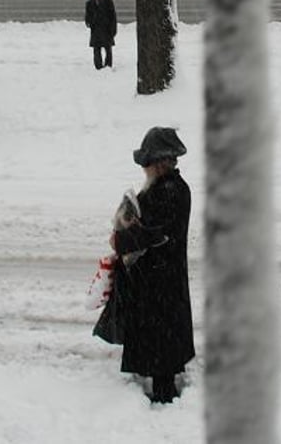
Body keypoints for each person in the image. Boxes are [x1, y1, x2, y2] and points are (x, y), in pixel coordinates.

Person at [97, 127, 194, 404]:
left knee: (161, 340)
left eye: (147, 163)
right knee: (161, 338)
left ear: (160, 162)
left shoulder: (171, 191)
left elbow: (153, 232)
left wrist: (121, 239)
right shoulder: (167, 187)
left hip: (160, 278)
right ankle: (161, 384)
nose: (144, 169)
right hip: (158, 277)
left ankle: (164, 400)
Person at [84, 0, 117, 70]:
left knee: (108, 49)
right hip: (96, 31)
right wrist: (90, 22)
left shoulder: (108, 2)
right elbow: (87, 18)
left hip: (107, 29)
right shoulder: (89, 4)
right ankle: (98, 67)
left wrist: (113, 30)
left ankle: (108, 66)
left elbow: (113, 17)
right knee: (96, 50)